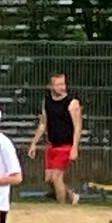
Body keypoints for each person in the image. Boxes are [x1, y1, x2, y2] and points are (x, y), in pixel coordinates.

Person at [26, 72, 83, 206]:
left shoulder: (72, 103)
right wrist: (33, 143)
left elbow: (78, 127)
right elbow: (43, 124)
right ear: (50, 86)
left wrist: (75, 147)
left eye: (63, 84)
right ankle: (70, 195)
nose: (62, 87)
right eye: (58, 85)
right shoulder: (47, 102)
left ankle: (61, 207)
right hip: (52, 145)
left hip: (66, 145)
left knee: (57, 177)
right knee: (49, 179)